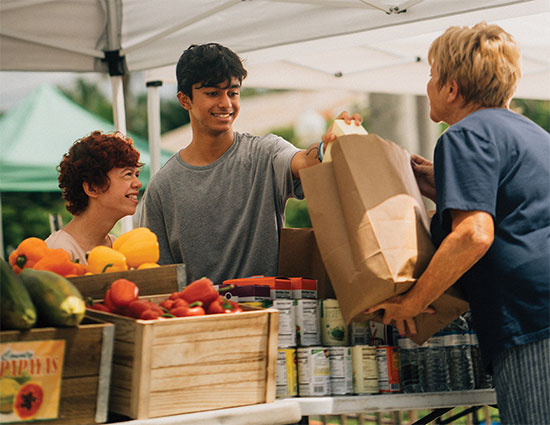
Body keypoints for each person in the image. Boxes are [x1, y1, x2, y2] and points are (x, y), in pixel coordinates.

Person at [366, 22, 549, 424]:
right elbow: (514, 208)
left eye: (431, 76)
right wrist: (446, 187)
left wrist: (412, 302)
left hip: (531, 321)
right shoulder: (533, 134)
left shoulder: (463, 135)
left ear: (451, 88)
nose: (428, 86)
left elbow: (474, 234)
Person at [140, 42, 361, 284]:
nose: (226, 103)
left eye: (233, 93)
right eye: (213, 93)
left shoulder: (264, 153)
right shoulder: (162, 186)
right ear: (185, 100)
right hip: (197, 318)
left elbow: (303, 161)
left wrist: (325, 148)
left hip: (271, 317)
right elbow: (159, 279)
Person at [46, 131, 143, 264]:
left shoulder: (117, 248)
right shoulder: (58, 251)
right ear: (92, 188)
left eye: (136, 175)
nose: (138, 183)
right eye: (128, 174)